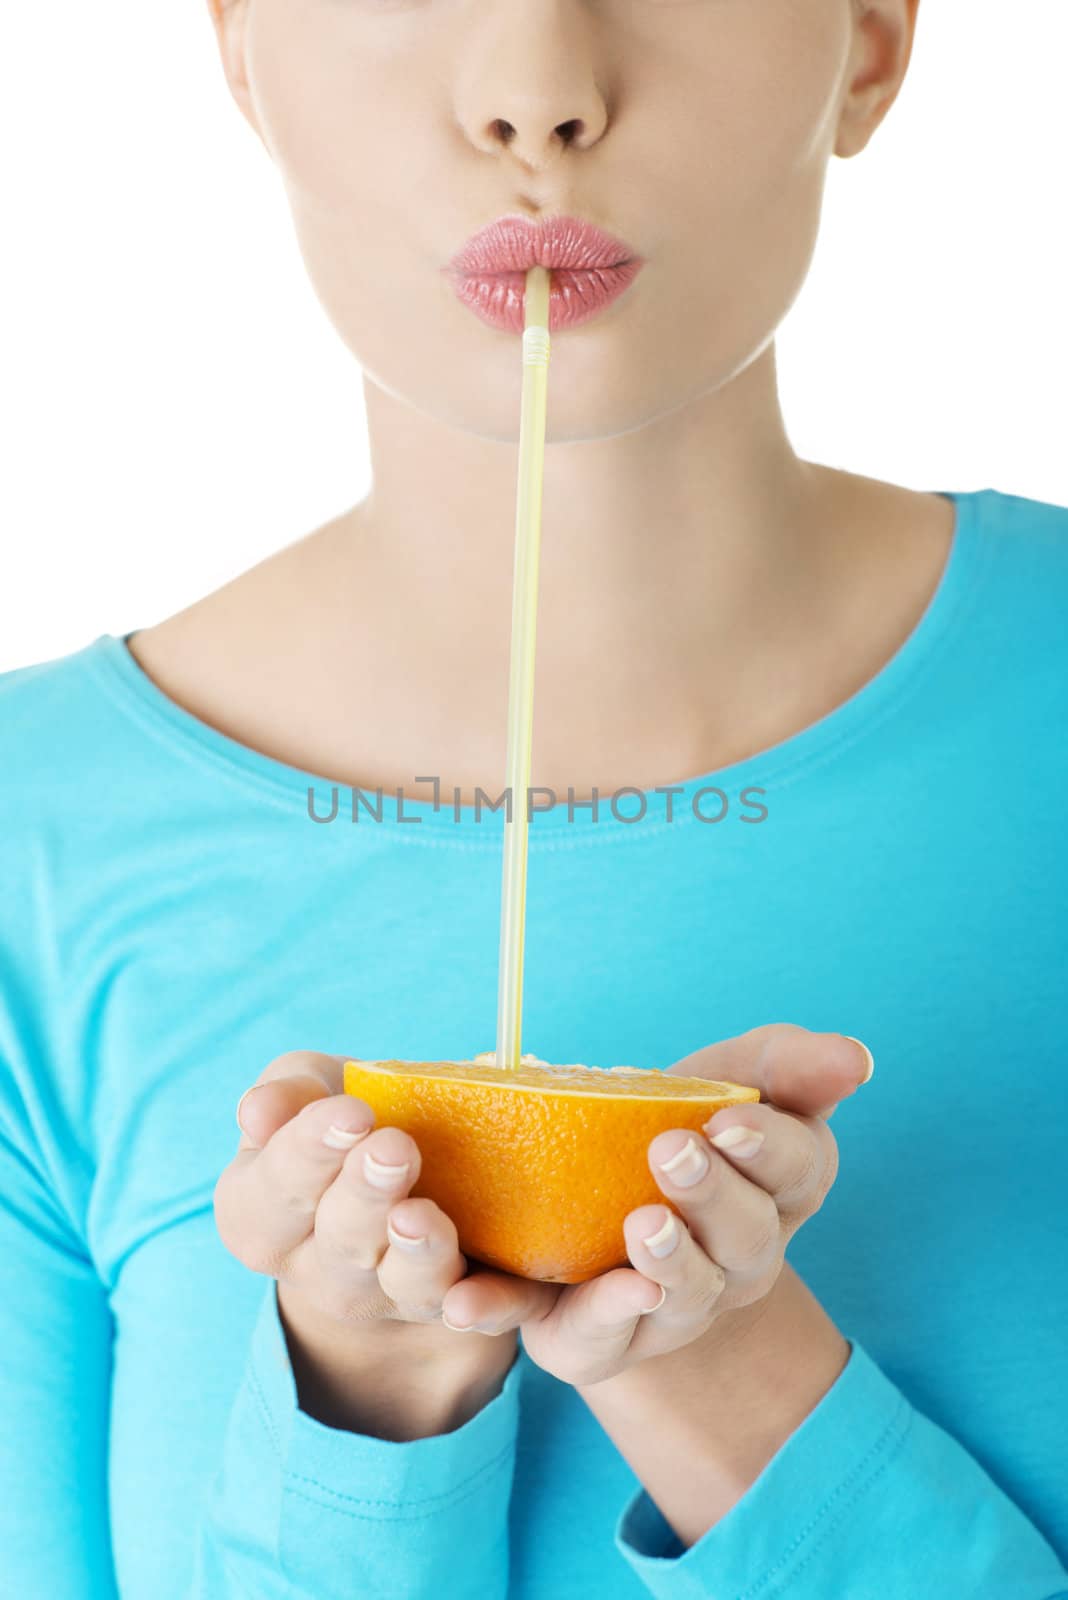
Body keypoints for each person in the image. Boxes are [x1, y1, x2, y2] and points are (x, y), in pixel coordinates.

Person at [1, 0, 1065, 1595]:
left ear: (870, 39)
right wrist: (361, 1401)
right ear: (239, 53)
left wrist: (717, 1370)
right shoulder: (32, 844)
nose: (539, 94)